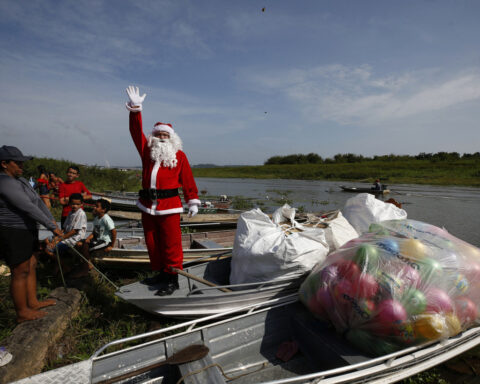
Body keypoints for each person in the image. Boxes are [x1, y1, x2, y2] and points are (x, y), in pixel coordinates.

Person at [125, 85, 201, 296]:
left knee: (171, 244)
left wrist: (192, 200)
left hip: (169, 207)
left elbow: (187, 179)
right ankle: (161, 273)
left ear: (172, 137)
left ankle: (173, 278)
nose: (160, 137)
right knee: (152, 242)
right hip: (148, 206)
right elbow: (134, 131)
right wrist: (136, 110)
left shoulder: (180, 156)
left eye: (164, 135)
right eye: (157, 134)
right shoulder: (147, 152)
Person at [0, 145, 62, 323]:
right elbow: (26, 206)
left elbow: (38, 203)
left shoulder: (21, 181)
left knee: (31, 264)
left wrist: (52, 221)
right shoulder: (4, 182)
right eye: (18, 163)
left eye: (22, 163)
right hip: (13, 231)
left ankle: (33, 302)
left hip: (28, 229)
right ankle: (22, 312)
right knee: (19, 270)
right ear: (4, 164)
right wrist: (51, 226)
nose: (22, 166)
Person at [44, 193, 87, 274]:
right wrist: (58, 236)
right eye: (73, 204)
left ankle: (65, 266)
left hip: (73, 238)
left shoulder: (81, 213)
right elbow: (64, 228)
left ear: (82, 204)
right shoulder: (70, 213)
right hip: (66, 236)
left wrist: (59, 239)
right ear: (69, 203)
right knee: (47, 240)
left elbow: (75, 231)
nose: (75, 206)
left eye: (78, 204)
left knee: (48, 250)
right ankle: (58, 264)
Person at [74, 198, 117, 278]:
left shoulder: (106, 219)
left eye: (97, 206)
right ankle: (86, 263)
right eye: (94, 206)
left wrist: (111, 245)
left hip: (104, 241)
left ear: (103, 210)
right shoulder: (96, 219)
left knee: (85, 248)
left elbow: (114, 231)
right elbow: (94, 232)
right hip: (96, 240)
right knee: (79, 243)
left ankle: (86, 267)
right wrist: (88, 238)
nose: (94, 207)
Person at [58, 165, 91, 229]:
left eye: (73, 173)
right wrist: (79, 196)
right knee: (65, 234)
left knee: (78, 233)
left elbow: (89, 196)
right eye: (70, 172)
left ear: (77, 175)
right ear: (67, 173)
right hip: (66, 214)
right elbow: (62, 201)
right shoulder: (62, 185)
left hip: (79, 214)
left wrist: (68, 198)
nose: (71, 174)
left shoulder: (80, 184)